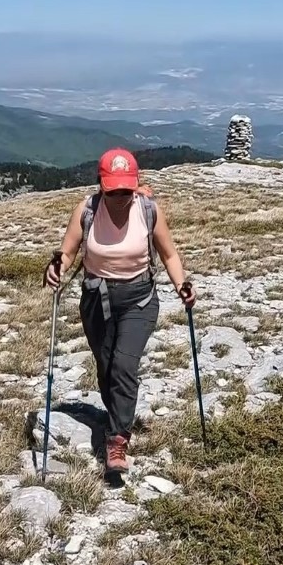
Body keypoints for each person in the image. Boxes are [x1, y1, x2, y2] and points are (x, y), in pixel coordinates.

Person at [44, 147, 195, 474]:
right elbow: (67, 252)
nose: (121, 196)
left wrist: (183, 285)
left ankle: (116, 441)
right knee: (106, 365)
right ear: (102, 185)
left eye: (127, 189)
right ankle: (117, 413)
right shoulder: (86, 210)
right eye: (115, 190)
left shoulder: (149, 210)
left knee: (124, 364)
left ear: (135, 184)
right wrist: (56, 267)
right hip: (96, 299)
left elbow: (169, 255)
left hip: (139, 299)